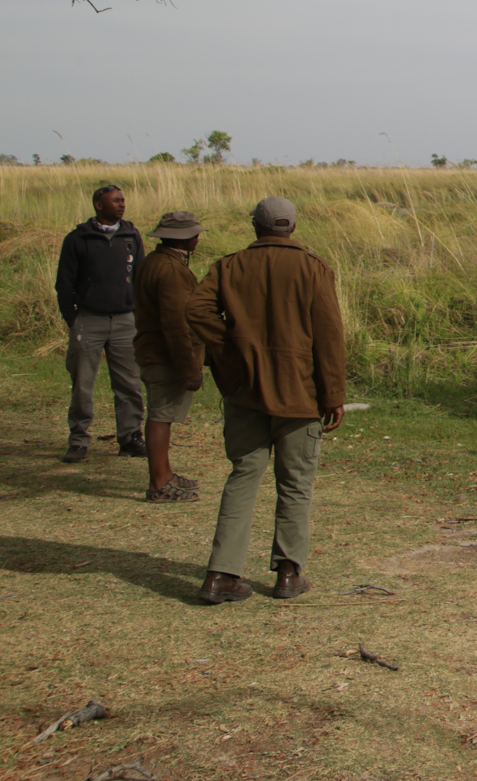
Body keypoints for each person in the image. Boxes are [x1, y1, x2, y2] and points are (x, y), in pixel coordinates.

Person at [188, 197, 346, 605]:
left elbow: (196, 309)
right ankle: (289, 573)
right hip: (300, 393)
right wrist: (334, 395)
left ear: (255, 227)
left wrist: (230, 351)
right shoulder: (313, 268)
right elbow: (329, 337)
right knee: (295, 483)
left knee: (243, 477)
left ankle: (221, 574)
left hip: (246, 391)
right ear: (292, 227)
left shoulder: (229, 266)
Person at [54, 183, 147, 464]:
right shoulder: (78, 238)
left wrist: (139, 315)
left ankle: (130, 437)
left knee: (129, 384)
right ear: (98, 204)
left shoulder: (131, 236)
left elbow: (141, 278)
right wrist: (73, 319)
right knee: (83, 384)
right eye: (115, 200)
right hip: (89, 321)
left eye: (123, 200)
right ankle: (79, 440)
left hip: (124, 321)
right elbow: (64, 283)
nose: (121, 205)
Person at [134, 210, 207, 502]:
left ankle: (164, 474)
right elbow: (177, 323)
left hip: (153, 351)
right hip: (165, 356)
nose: (198, 239)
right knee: (161, 417)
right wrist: (189, 367)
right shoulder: (171, 270)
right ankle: (159, 484)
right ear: (186, 239)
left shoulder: (154, 261)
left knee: (160, 415)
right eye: (195, 234)